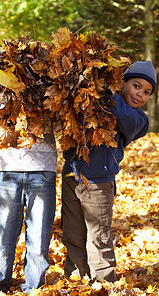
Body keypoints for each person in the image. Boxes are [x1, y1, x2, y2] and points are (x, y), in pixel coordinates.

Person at [61, 60, 157, 283]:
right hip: (71, 177)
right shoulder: (94, 102)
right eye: (136, 86)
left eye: (147, 92)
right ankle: (76, 278)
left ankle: (104, 281)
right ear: (122, 83)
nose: (140, 94)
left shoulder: (138, 119)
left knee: (99, 237)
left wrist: (103, 87)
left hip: (99, 184)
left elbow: (120, 113)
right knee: (73, 234)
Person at [0, 133, 57, 295]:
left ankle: (34, 287)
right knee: (5, 231)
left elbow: (60, 122)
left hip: (43, 168)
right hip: (11, 167)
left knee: (39, 234)